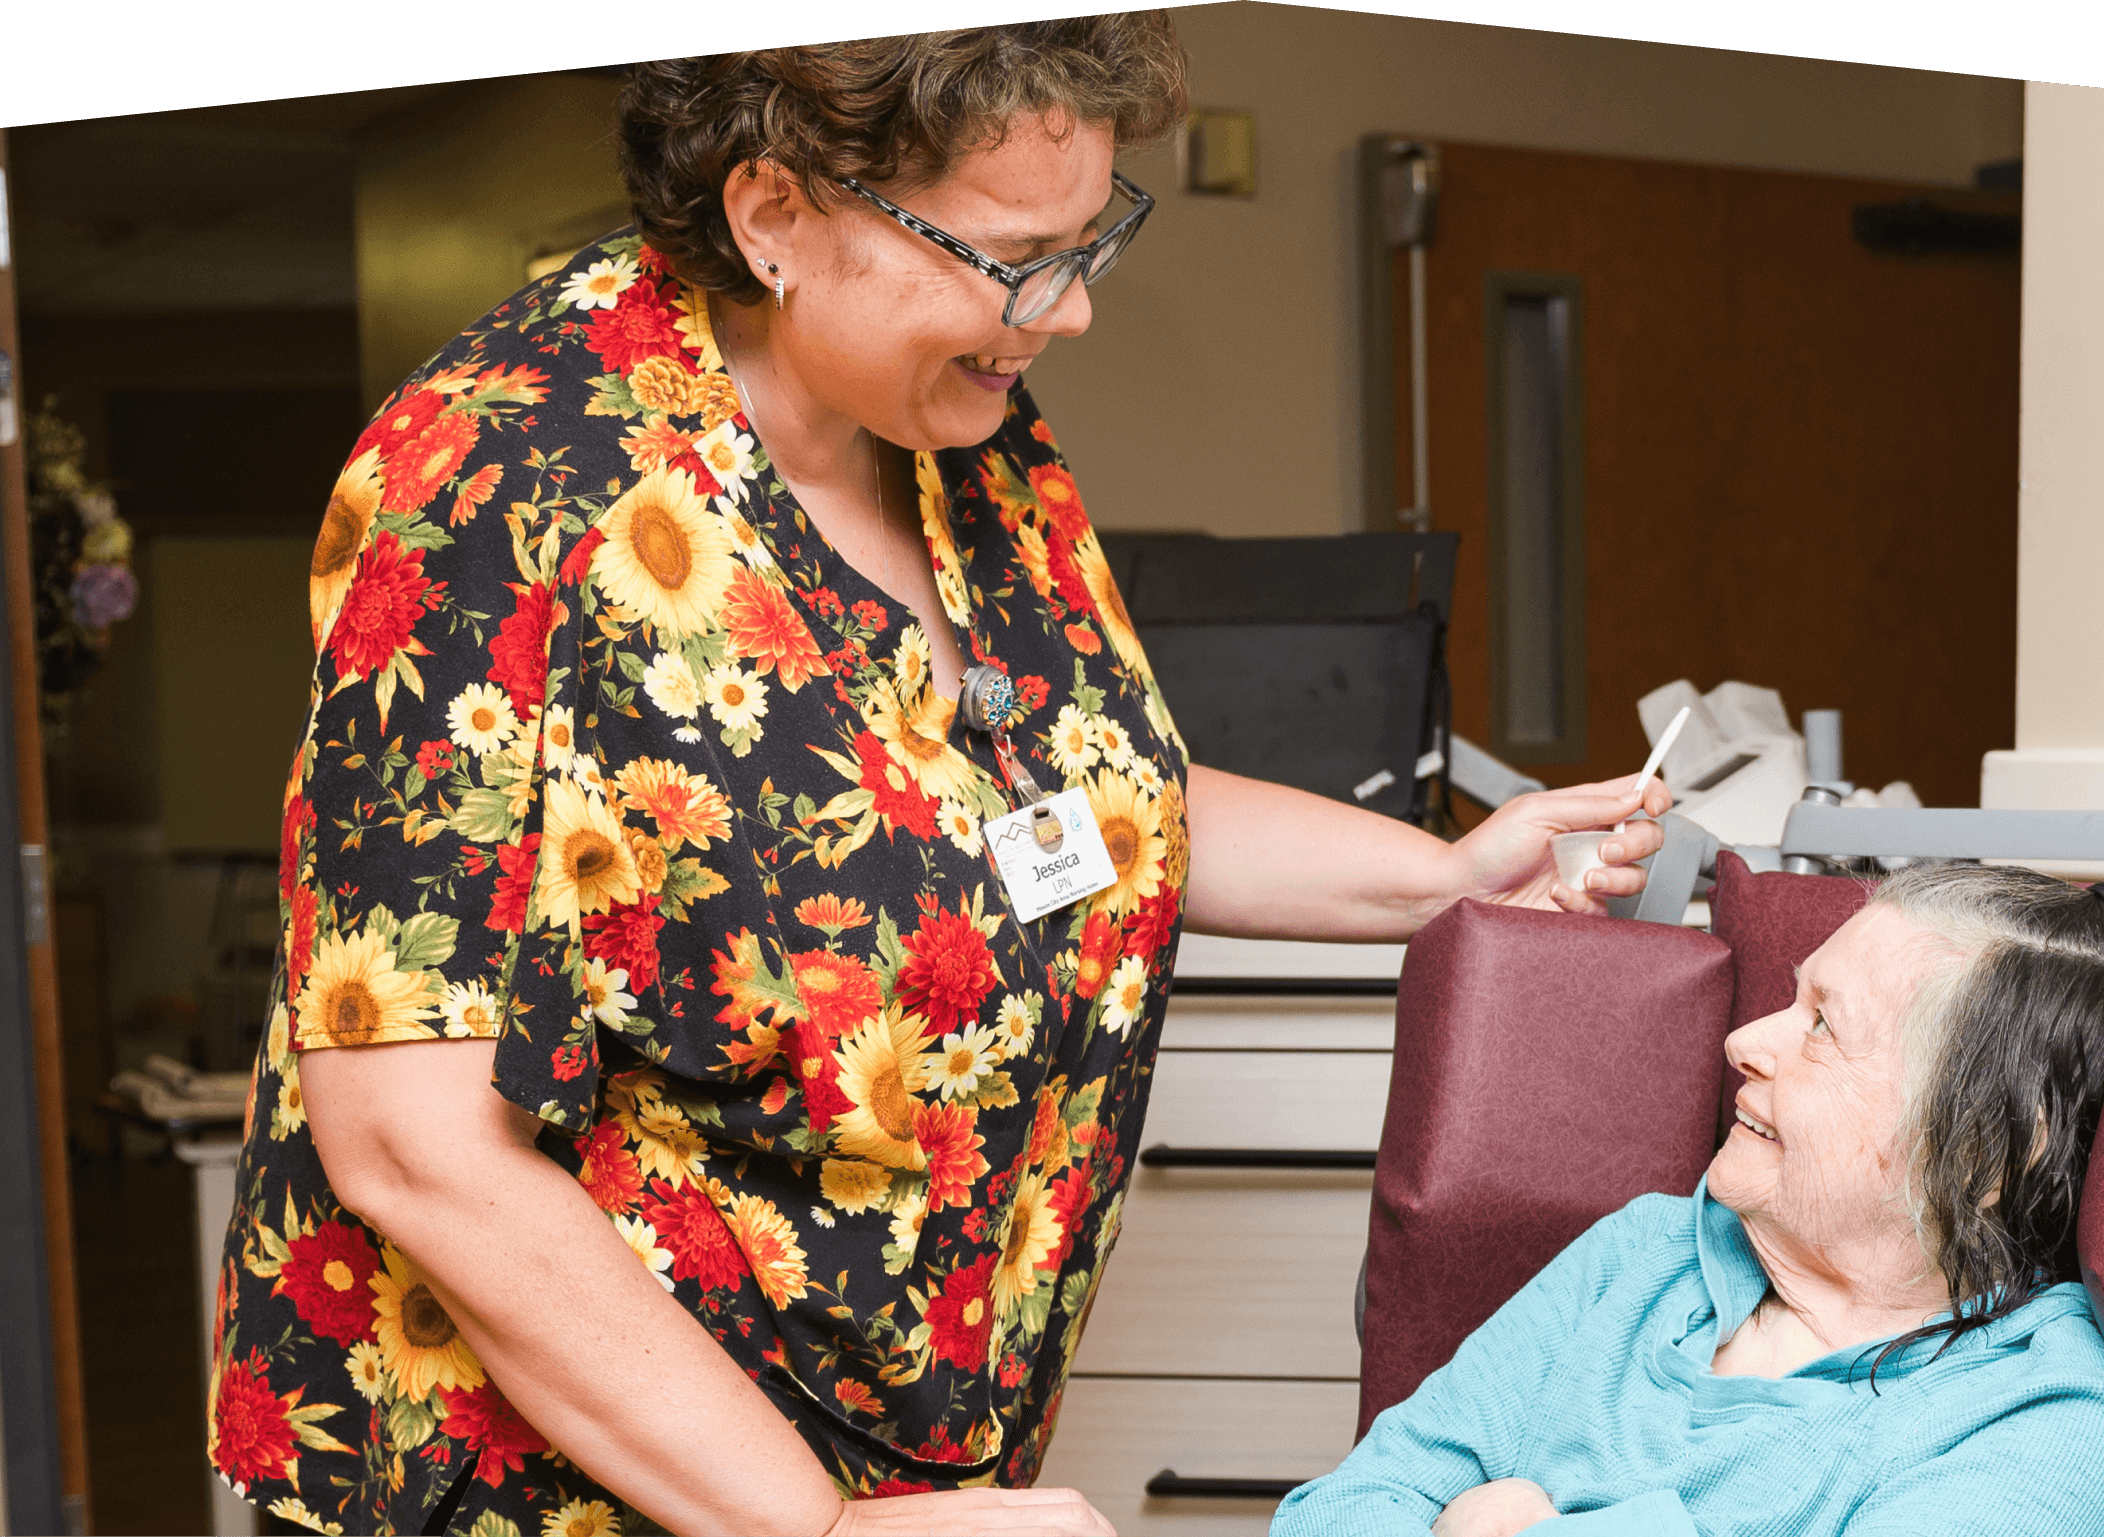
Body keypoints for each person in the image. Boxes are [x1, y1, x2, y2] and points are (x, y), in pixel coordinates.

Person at [207, 22, 1671, 1537]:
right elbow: (413, 1139)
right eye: (1014, 255)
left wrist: (1440, 877)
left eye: (1089, 239)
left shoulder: (951, 427)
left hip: (908, 1451)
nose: (1075, 308)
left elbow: (1083, 802)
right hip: (582, 1481)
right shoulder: (501, 487)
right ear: (774, 214)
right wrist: (816, 1524)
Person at [1274, 866, 2104, 1537]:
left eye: (1821, 1025)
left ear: (1990, 1148)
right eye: (1789, 998)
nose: (1743, 1041)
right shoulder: (1644, 1256)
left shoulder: (2041, 1430)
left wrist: (1510, 1522)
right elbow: (1338, 1509)